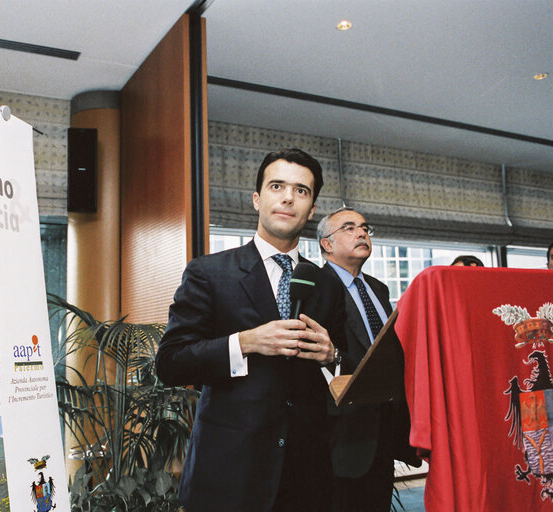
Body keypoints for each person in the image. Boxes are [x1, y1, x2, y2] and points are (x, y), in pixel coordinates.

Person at [156, 149, 347, 512]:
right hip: (228, 474)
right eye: (277, 186)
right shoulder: (208, 273)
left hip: (307, 475)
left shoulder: (326, 284)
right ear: (257, 199)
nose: (288, 197)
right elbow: (170, 363)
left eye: (301, 191)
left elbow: (350, 368)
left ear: (312, 209)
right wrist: (244, 342)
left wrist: (332, 356)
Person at [317, 207, 420, 512]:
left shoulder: (377, 288)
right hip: (341, 434)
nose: (361, 233)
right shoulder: (317, 288)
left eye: (364, 227)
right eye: (348, 228)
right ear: (327, 244)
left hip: (385, 425)